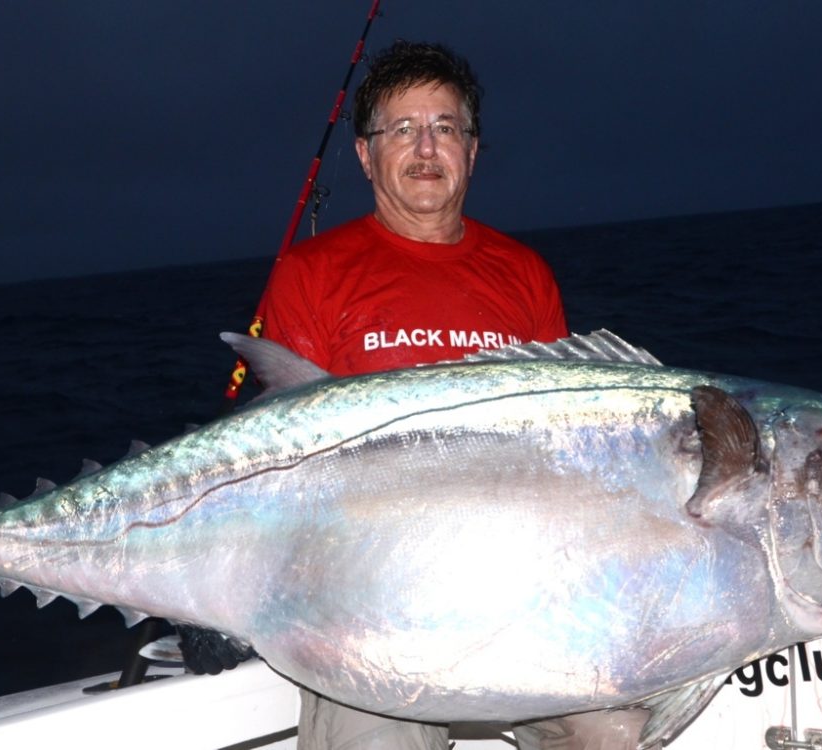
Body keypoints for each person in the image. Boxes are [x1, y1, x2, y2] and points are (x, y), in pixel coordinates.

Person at [259, 40, 653, 750]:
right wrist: (230, 605)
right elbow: (277, 468)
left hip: (522, 601)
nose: (424, 146)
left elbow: (571, 457)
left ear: (473, 149)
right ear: (364, 154)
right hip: (366, 612)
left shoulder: (524, 274)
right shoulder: (312, 274)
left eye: (445, 127)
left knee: (619, 727)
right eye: (401, 129)